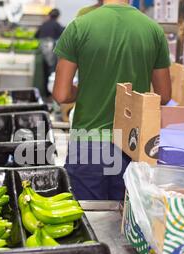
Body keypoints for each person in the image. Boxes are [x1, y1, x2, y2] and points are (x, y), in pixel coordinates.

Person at [53, 0, 171, 201]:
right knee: (126, 222)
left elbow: (61, 94)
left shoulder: (79, 26)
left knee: (86, 220)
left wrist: (87, 89)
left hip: (88, 142)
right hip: (132, 145)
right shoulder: (153, 30)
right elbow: (164, 95)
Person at [35, 9, 65, 97]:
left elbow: (36, 35)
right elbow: (64, 35)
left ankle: (44, 93)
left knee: (44, 72)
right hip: (51, 52)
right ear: (58, 17)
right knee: (51, 73)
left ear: (49, 15)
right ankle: (50, 93)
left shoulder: (44, 24)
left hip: (41, 53)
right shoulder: (56, 25)